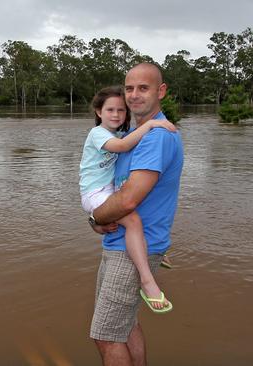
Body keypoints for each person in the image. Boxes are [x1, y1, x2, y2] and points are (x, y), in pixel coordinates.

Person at [88, 63, 184, 366]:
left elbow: (128, 201)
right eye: (129, 88)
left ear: (161, 91)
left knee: (106, 334)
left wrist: (96, 218)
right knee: (124, 325)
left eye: (143, 88)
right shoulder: (131, 134)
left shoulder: (157, 137)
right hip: (119, 243)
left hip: (132, 252)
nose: (134, 95)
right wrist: (99, 221)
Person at [79, 86, 176, 312]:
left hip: (107, 191)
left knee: (134, 218)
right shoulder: (98, 134)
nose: (116, 115)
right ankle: (147, 280)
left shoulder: (117, 134)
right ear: (98, 112)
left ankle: (151, 251)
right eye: (110, 110)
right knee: (132, 220)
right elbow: (123, 147)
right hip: (94, 193)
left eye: (121, 111)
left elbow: (128, 142)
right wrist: (151, 124)